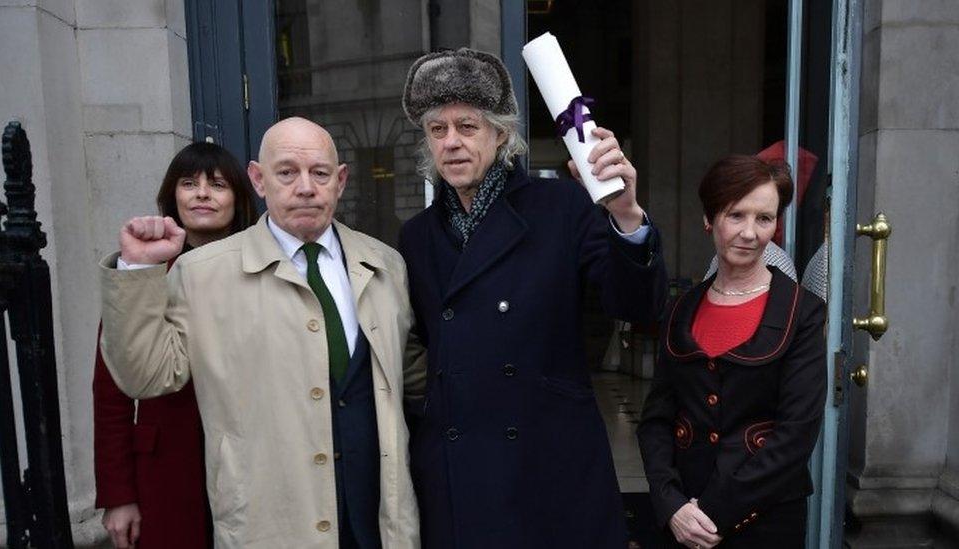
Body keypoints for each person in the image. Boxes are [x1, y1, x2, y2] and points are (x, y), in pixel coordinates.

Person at [97, 118, 423, 548]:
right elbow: (146, 376)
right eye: (286, 172)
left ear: (340, 181)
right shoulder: (200, 274)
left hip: (376, 519)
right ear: (258, 179)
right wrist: (138, 269)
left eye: (320, 173)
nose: (305, 187)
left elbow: (413, 371)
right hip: (271, 521)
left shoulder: (386, 264)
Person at [398, 48, 668, 547]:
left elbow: (638, 307)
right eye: (438, 130)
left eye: (467, 126)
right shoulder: (415, 236)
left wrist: (627, 218)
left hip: (547, 461)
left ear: (500, 135)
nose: (452, 143)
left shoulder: (562, 206)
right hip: (457, 467)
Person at [637, 155, 827, 548]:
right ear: (709, 219)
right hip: (682, 520)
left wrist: (712, 513)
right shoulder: (680, 311)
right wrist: (670, 504)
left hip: (767, 521)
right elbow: (656, 420)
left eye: (764, 219)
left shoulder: (802, 312)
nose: (750, 233)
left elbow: (796, 434)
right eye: (736, 215)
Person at [94, 141, 256, 549]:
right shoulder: (143, 273)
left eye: (217, 184)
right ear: (172, 195)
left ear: (238, 199)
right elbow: (110, 392)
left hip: (249, 464)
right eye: (189, 182)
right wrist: (118, 496)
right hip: (167, 471)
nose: (202, 193)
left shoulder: (259, 271)